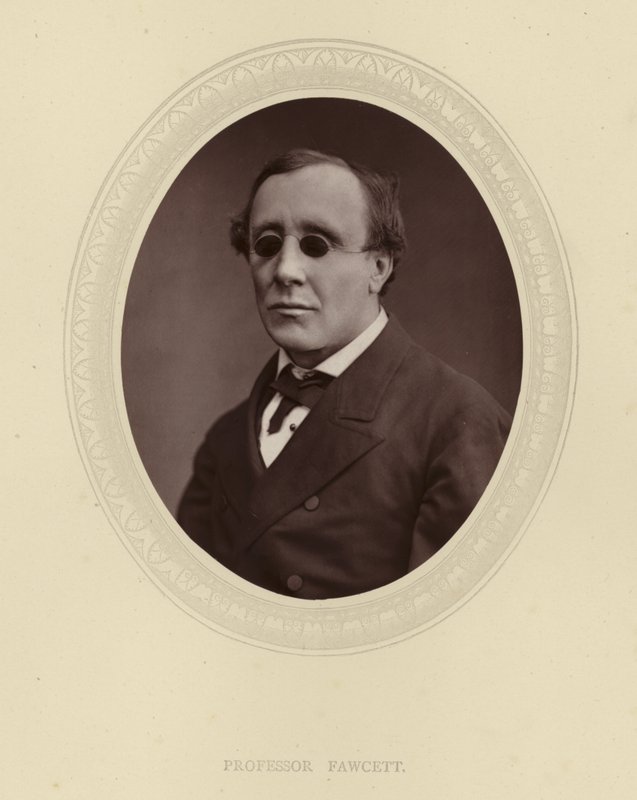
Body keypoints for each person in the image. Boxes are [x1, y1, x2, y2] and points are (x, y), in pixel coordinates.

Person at [177, 149, 511, 600]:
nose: (285, 271)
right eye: (268, 244)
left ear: (378, 268)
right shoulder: (224, 440)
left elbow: (449, 624)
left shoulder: (457, 422)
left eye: (317, 245)